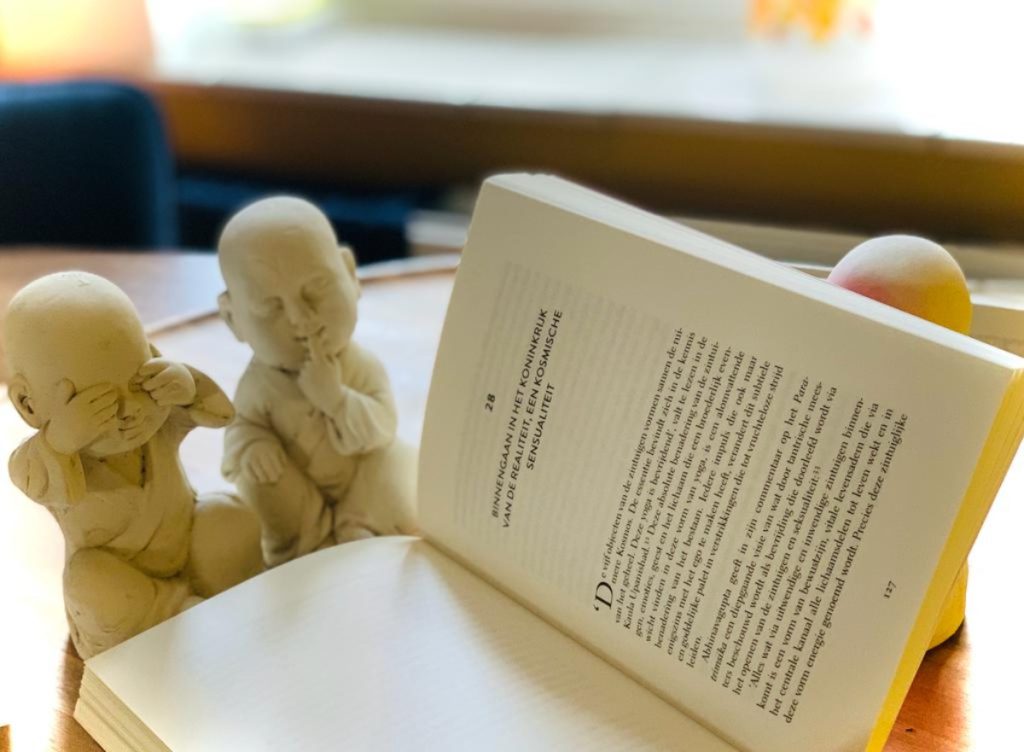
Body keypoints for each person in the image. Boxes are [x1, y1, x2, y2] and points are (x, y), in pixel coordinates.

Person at [6, 272, 263, 658]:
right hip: (123, 579)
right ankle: (174, 613)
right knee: (92, 587)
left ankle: (213, 598)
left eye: (138, 380)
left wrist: (187, 386)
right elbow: (38, 477)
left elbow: (220, 413)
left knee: (234, 519)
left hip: (187, 542)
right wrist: (61, 440)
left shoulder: (158, 417)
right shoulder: (46, 457)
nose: (128, 410)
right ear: (29, 404)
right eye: (96, 402)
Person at [218, 196, 416, 567]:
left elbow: (382, 428)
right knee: (259, 476)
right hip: (303, 502)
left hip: (363, 483)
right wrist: (254, 445)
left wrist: (336, 400)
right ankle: (304, 545)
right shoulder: (258, 387)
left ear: (351, 275)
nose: (299, 318)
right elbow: (240, 427)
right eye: (271, 307)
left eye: (317, 288)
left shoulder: (360, 366)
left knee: (394, 463)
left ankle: (360, 524)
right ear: (233, 319)